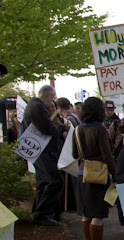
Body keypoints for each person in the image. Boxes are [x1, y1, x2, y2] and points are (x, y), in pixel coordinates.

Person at [21, 85, 69, 226]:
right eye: (52, 99)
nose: (52, 102)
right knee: (55, 181)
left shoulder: (33, 105)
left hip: (39, 150)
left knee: (43, 181)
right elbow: (47, 128)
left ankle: (39, 212)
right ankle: (43, 214)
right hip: (43, 150)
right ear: (48, 96)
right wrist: (61, 128)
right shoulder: (37, 107)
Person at [72, 97, 116, 240]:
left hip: (81, 172)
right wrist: (116, 174)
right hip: (98, 175)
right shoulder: (100, 130)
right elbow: (107, 156)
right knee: (98, 214)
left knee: (86, 214)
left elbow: (74, 154)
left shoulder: (77, 129)